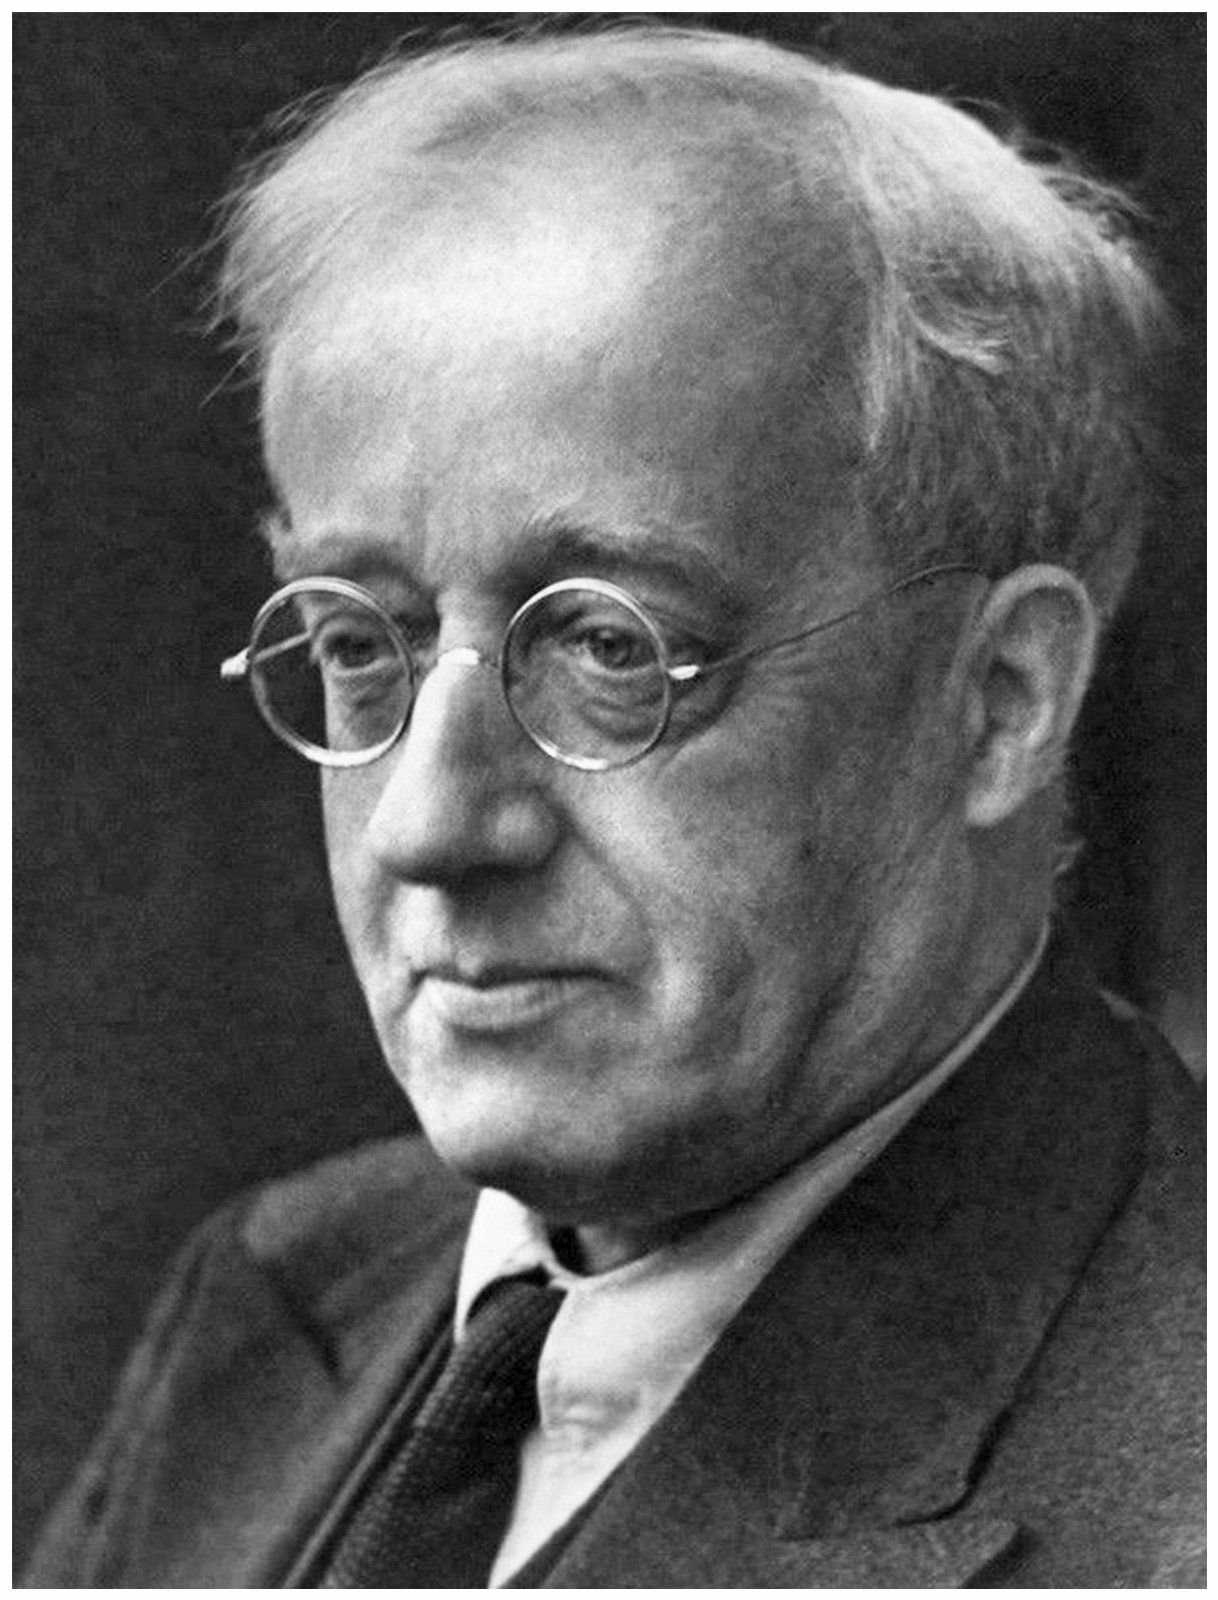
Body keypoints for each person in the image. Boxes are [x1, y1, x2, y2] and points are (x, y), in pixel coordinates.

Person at [25, 24, 1202, 1589]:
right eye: (360, 645)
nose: (427, 828)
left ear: (999, 699)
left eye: (608, 648)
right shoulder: (275, 1294)